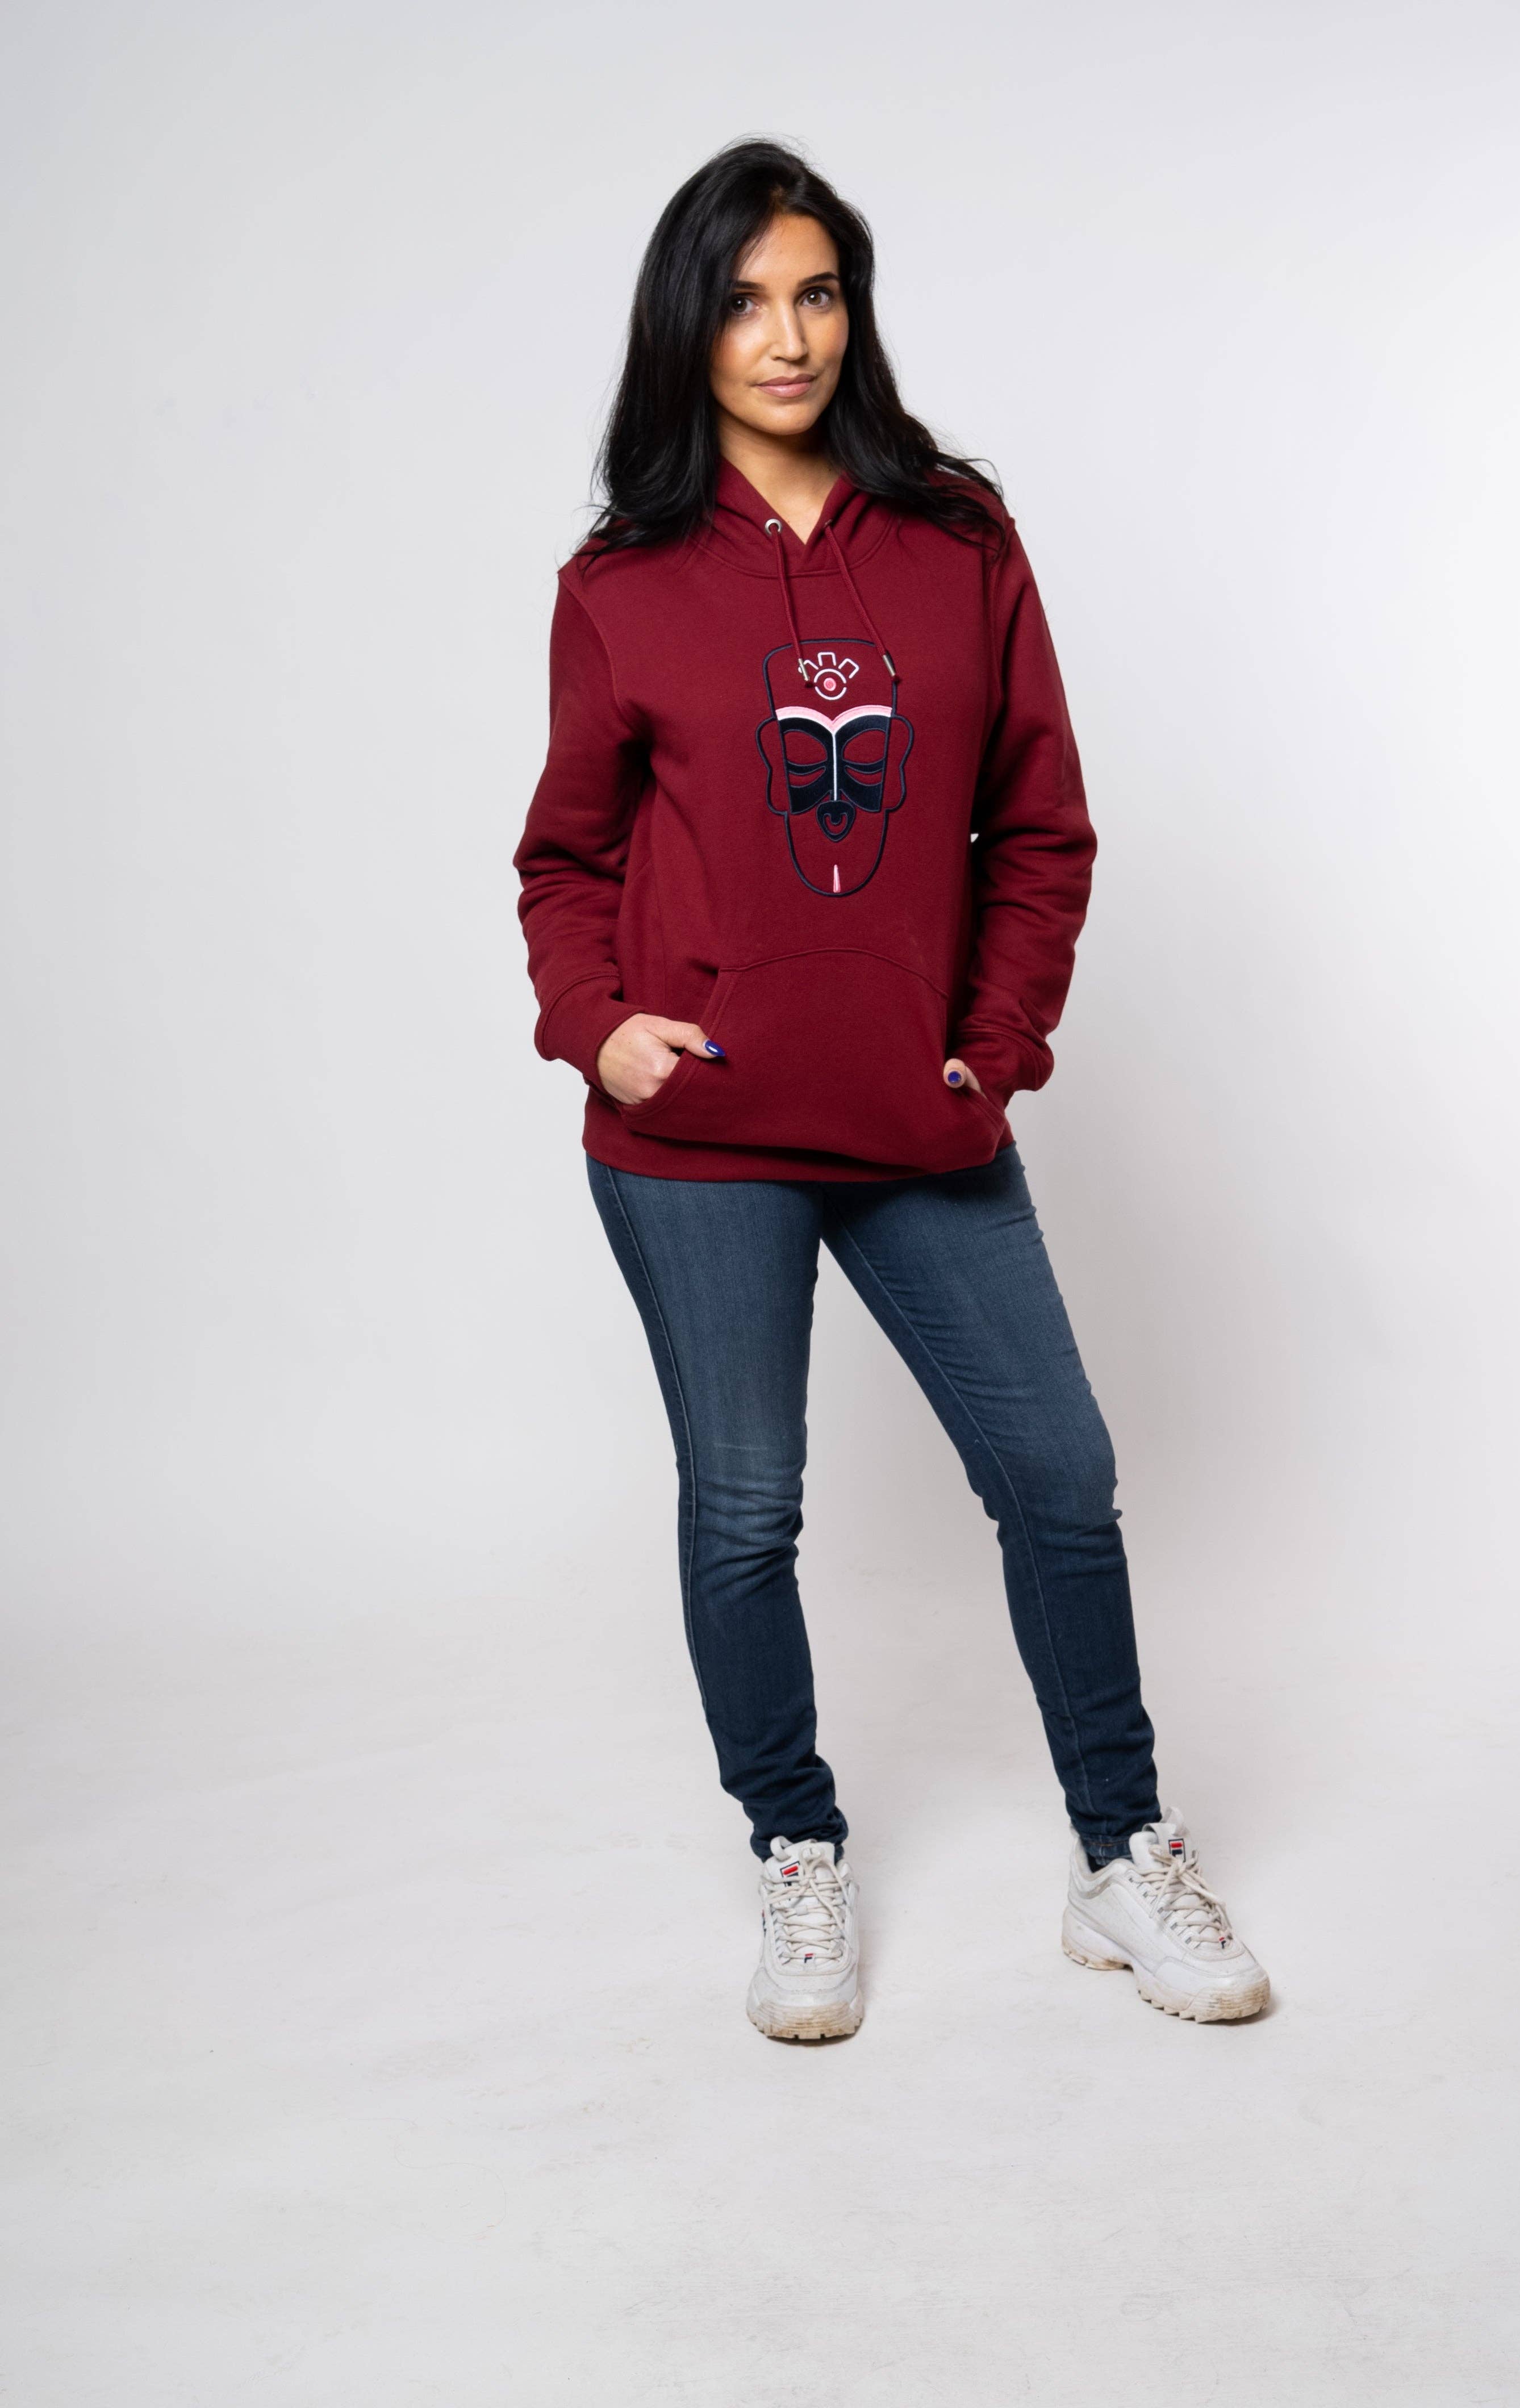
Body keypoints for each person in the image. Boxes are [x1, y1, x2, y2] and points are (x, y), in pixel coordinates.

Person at [513, 140, 1269, 2039]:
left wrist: (993, 1047)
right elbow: (566, 858)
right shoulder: (620, 583)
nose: (787, 337)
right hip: (698, 1140)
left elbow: (1043, 826)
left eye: (818, 293)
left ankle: (1123, 1852)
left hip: (917, 1118)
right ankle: (796, 1849)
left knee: (1058, 1478)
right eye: (745, 301)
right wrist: (598, 1025)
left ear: (855, 311)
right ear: (686, 328)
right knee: (743, 1510)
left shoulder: (957, 534)